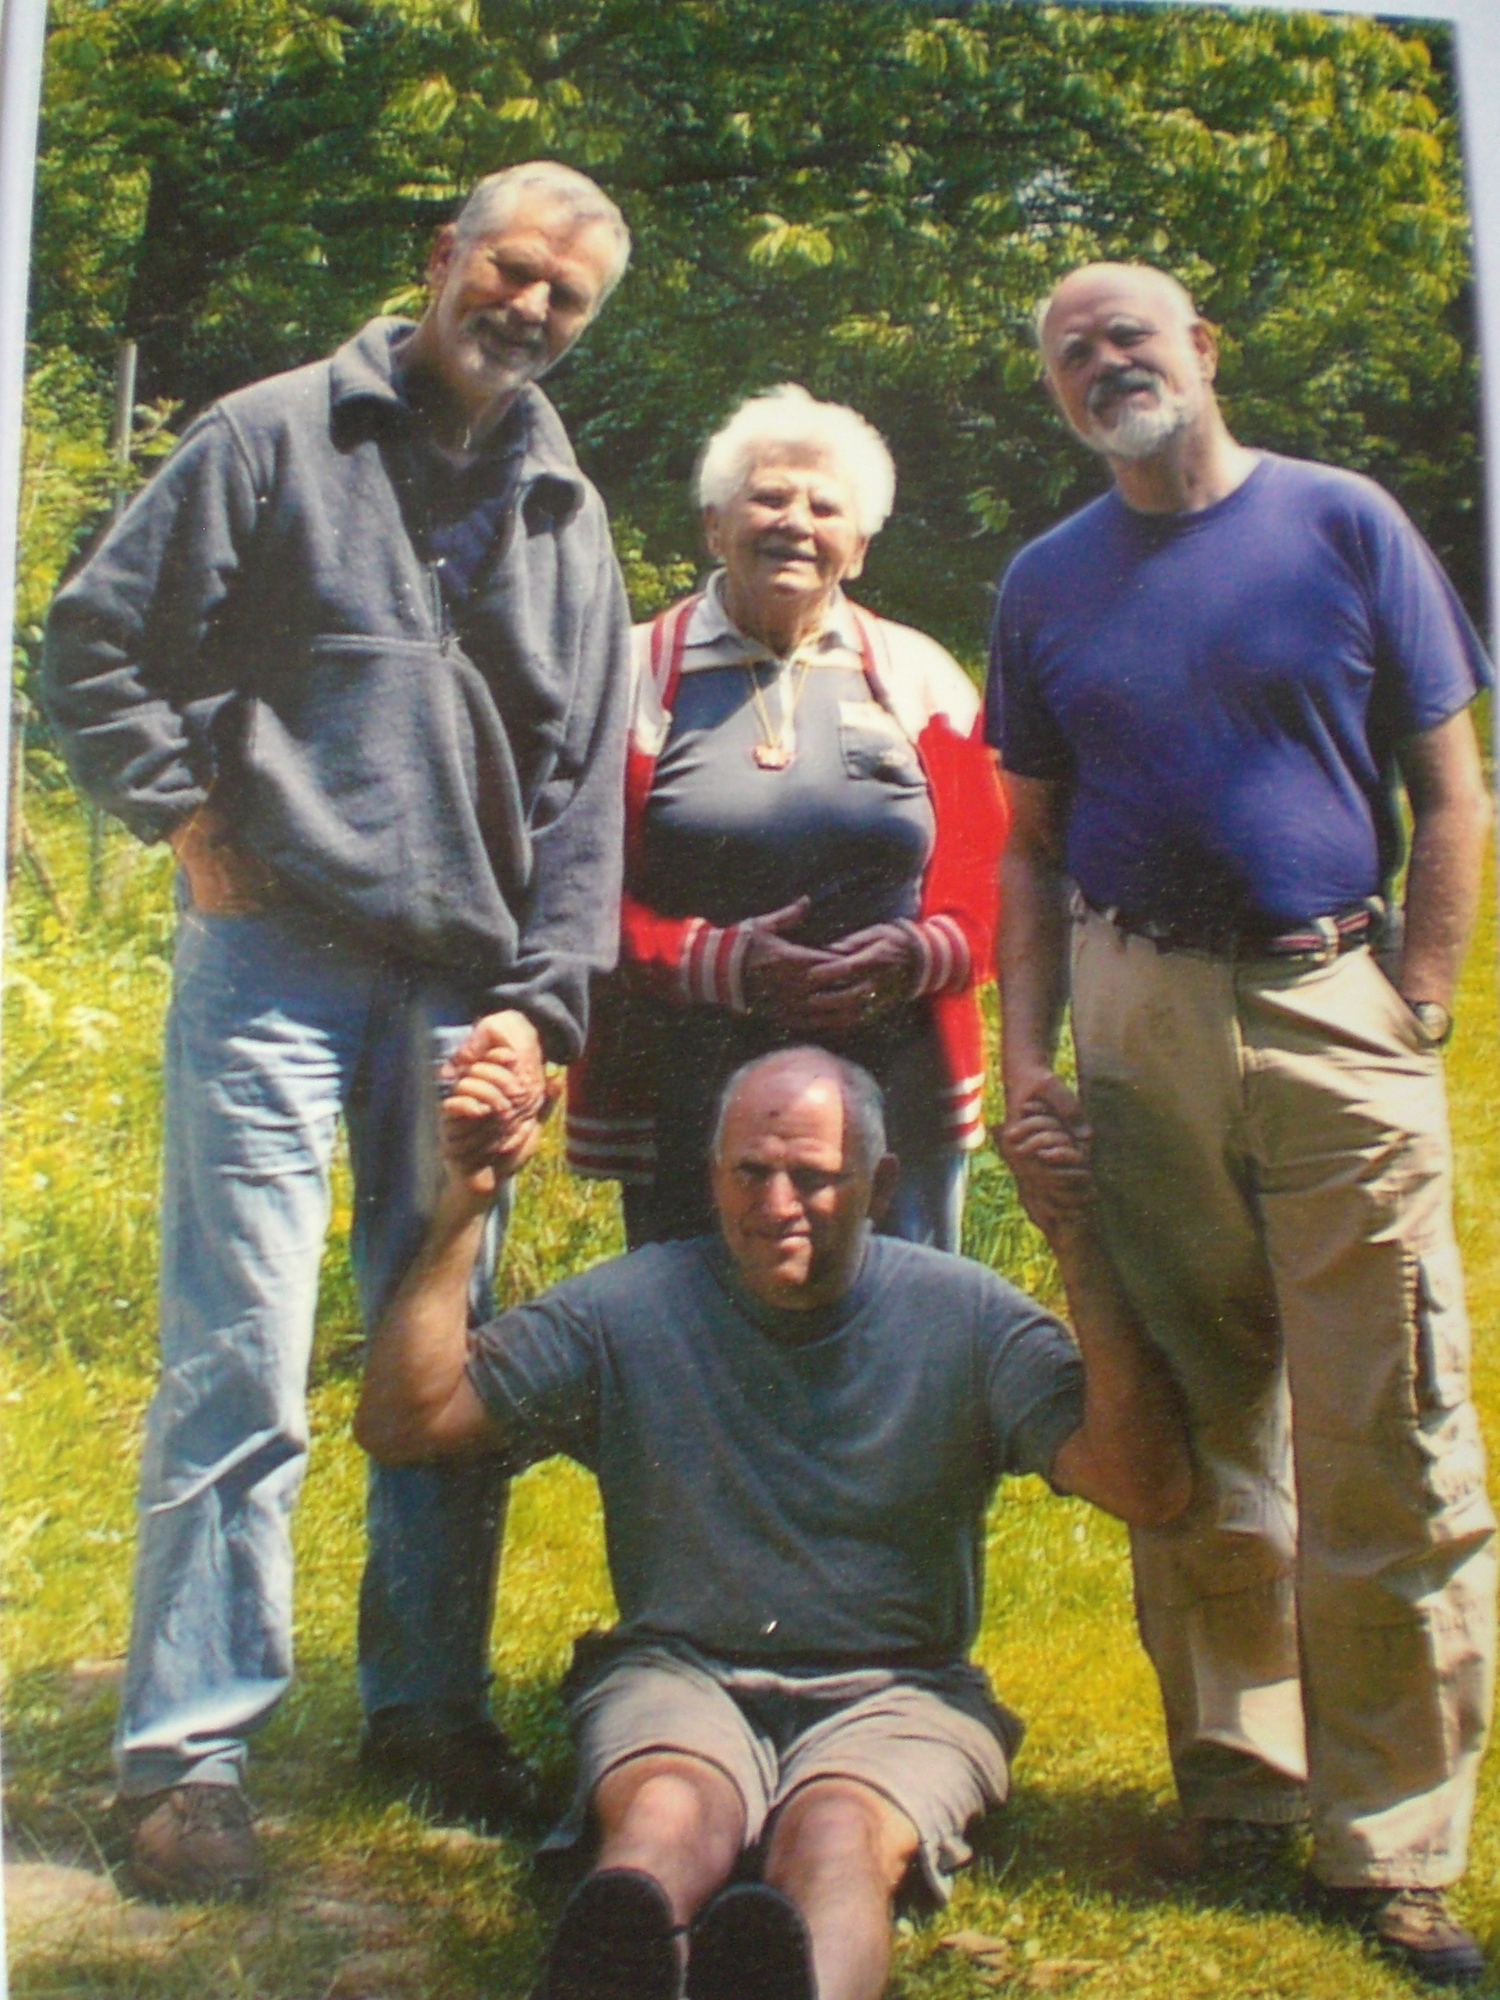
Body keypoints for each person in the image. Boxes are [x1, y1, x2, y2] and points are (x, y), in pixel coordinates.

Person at [42, 160, 635, 1899]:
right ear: (441, 254)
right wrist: (182, 815)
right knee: (236, 1349)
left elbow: (585, 796)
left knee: (445, 1356)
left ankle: (425, 1711)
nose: (529, 309)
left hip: (468, 990)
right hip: (276, 960)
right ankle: (189, 1755)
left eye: (568, 297)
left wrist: (542, 1011)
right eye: (509, 269)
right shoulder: (271, 434)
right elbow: (92, 638)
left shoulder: (567, 513)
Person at [987, 260, 1496, 1985]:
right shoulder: (1045, 581)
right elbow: (1028, 845)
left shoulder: (1344, 523)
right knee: (1201, 1417)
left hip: (1332, 998)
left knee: (1388, 1420)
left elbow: (1450, 786)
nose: (1103, 366)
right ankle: (1243, 1786)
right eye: (1071, 354)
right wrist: (1031, 1057)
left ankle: (1394, 1845)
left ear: (1203, 348)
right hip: (1139, 1017)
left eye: (1128, 336)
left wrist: (1421, 998)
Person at [356, 1042, 1191, 2000]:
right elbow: (405, 1422)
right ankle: (619, 1963)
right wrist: (468, 1199)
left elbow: (1147, 1487)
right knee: (664, 1817)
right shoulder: (630, 1305)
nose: (777, 1204)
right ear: (711, 1178)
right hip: (680, 1676)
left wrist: (1077, 1242)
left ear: (881, 1186)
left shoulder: (965, 1316)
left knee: (837, 1839)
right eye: (750, 1173)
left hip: (900, 1692)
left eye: (814, 1178)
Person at [565, 384, 1008, 1252]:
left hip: (897, 1079)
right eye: (768, 497)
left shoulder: (920, 675)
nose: (795, 523)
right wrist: (714, 962)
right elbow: (569, 884)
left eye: (825, 507)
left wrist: (919, 953)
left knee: (897, 1307)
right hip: (684, 1085)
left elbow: (997, 878)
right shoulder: (623, 673)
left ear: (861, 546)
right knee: (696, 1310)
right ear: (713, 526)